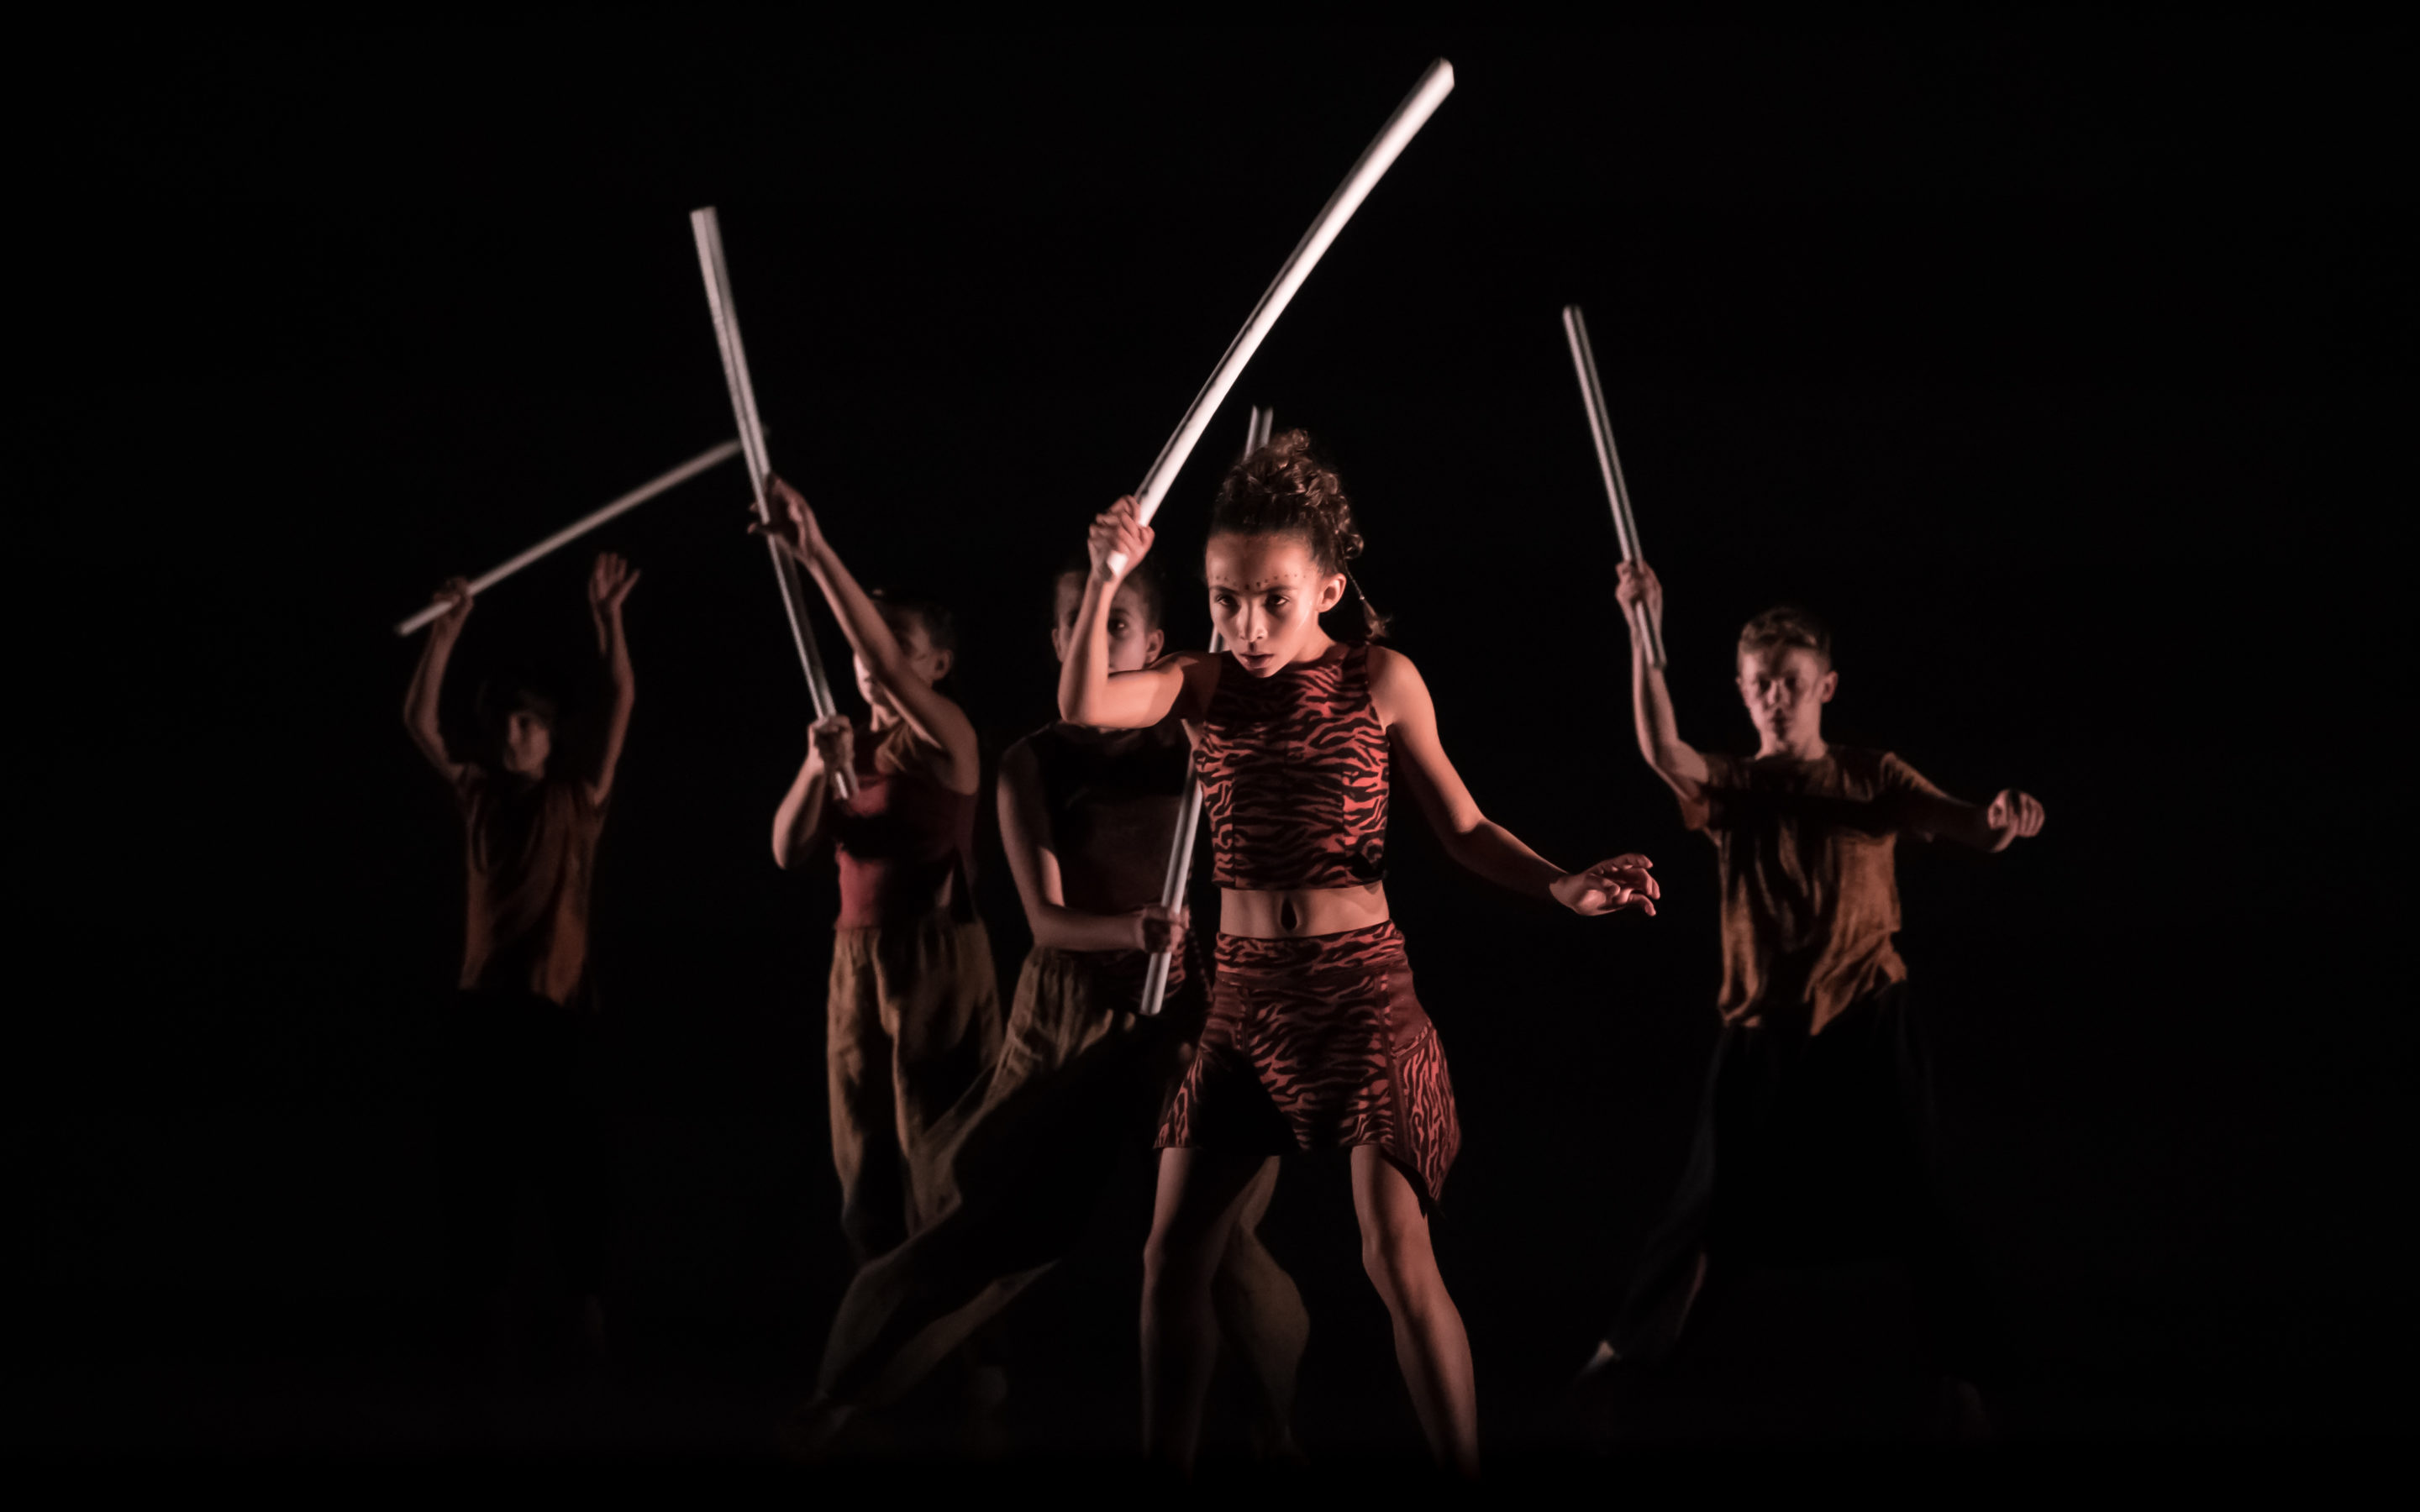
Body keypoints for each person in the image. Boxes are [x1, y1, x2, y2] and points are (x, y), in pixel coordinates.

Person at [1061, 431, 1661, 1473]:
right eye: (1225, 600)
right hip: (1245, 1000)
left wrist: (1562, 884)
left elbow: (1465, 828)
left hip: (1361, 994)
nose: (1247, 625)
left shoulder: (1380, 678)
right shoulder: (1200, 683)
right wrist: (1107, 576)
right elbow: (1084, 705)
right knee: (1170, 1257)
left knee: (1395, 1256)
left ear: (1329, 590)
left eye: (1274, 600)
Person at [791, 555, 1306, 1455]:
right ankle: (839, 1398)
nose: (1095, 639)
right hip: (1068, 1010)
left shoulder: (1191, 741)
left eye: (1117, 624)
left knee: (1218, 1231)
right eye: (1079, 622)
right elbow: (1048, 921)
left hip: (1185, 1006)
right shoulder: (1030, 762)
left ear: (1155, 643)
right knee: (981, 1214)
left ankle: (1275, 1419)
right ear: (1058, 640)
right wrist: (1131, 931)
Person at [1581, 560, 2046, 1435]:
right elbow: (1664, 753)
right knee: (1709, 1205)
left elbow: (1965, 823)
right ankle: (1622, 1360)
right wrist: (1645, 629)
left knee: (1920, 1195)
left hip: (1870, 1017)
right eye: (1761, 685)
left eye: (1792, 683)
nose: (1776, 699)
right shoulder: (1732, 786)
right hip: (1764, 1026)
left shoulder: (1872, 777)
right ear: (1742, 691)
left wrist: (2001, 819)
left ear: (1826, 686)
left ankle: (1964, 1380)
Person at [401, 551, 639, 1372]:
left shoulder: (578, 799)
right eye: (505, 723)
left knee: (574, 1170)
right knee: (482, 1174)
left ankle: (586, 1313)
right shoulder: (478, 794)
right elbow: (420, 724)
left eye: (529, 724)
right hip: (485, 1009)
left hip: (557, 1009)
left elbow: (620, 699)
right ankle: (489, 1323)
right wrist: (445, 634)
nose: (514, 735)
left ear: (550, 732)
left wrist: (608, 621)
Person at [761, 478, 1002, 1263]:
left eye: (897, 643)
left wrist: (813, 549)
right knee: (863, 1164)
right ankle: (882, 1314)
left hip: (934, 959)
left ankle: (960, 1328)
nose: (872, 657)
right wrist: (814, 766)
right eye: (869, 639)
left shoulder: (949, 739)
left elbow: (888, 673)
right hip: (855, 962)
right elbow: (787, 850)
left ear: (939, 663)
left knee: (941, 1155)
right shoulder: (849, 748)